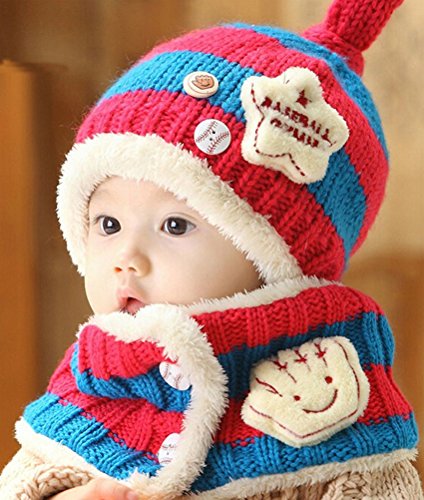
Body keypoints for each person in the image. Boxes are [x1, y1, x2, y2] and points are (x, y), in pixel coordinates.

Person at [1, 0, 423, 498]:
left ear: (278, 262)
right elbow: (24, 481)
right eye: (108, 224)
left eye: (175, 225)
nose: (126, 257)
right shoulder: (93, 377)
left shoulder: (336, 395)